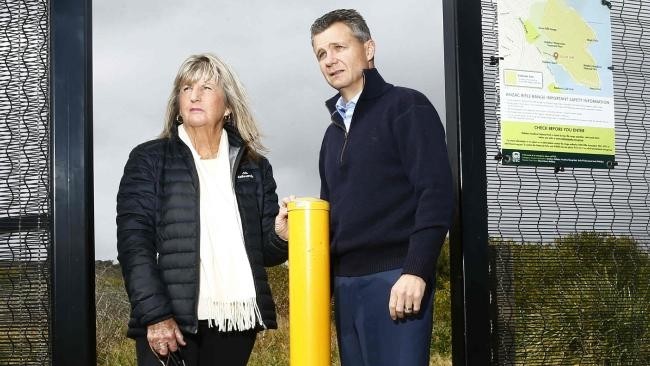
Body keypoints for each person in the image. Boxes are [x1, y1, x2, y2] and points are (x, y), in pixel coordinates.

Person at [116, 53, 290, 366]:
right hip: (171, 321)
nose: (194, 95)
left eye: (207, 88)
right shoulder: (148, 160)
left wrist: (280, 234)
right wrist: (156, 315)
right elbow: (134, 245)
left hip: (236, 321)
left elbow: (266, 252)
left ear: (228, 106)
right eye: (185, 88)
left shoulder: (255, 166)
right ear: (177, 103)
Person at [308, 9, 454, 365]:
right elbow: (331, 214)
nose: (330, 60)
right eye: (321, 54)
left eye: (339, 47)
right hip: (345, 287)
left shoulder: (407, 107)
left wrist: (416, 270)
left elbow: (436, 192)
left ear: (368, 48)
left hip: (395, 281)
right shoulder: (330, 135)